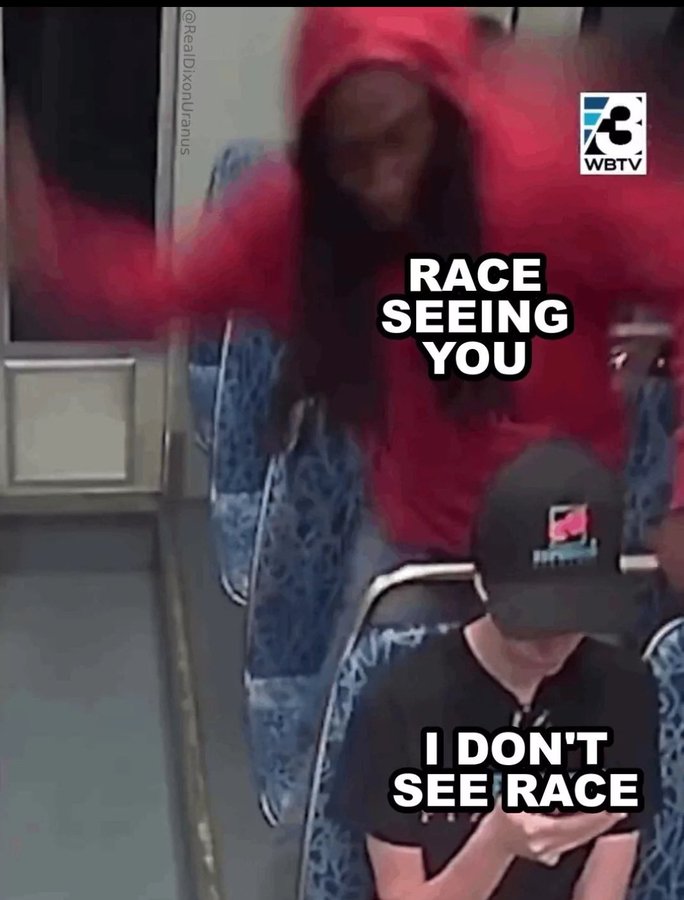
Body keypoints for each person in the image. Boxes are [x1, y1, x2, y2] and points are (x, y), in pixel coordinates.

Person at [6, 10, 684, 640]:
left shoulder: (552, 166)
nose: (384, 181)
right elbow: (163, 289)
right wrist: (44, 245)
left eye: (399, 139)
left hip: (563, 544)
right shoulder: (304, 215)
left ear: (441, 112)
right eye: (355, 155)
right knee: (370, 720)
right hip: (421, 550)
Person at [331, 439, 662, 900]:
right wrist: (496, 843)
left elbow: (605, 877)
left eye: (574, 616)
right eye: (532, 619)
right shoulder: (398, 704)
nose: (552, 642)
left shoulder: (625, 689)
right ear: (484, 585)